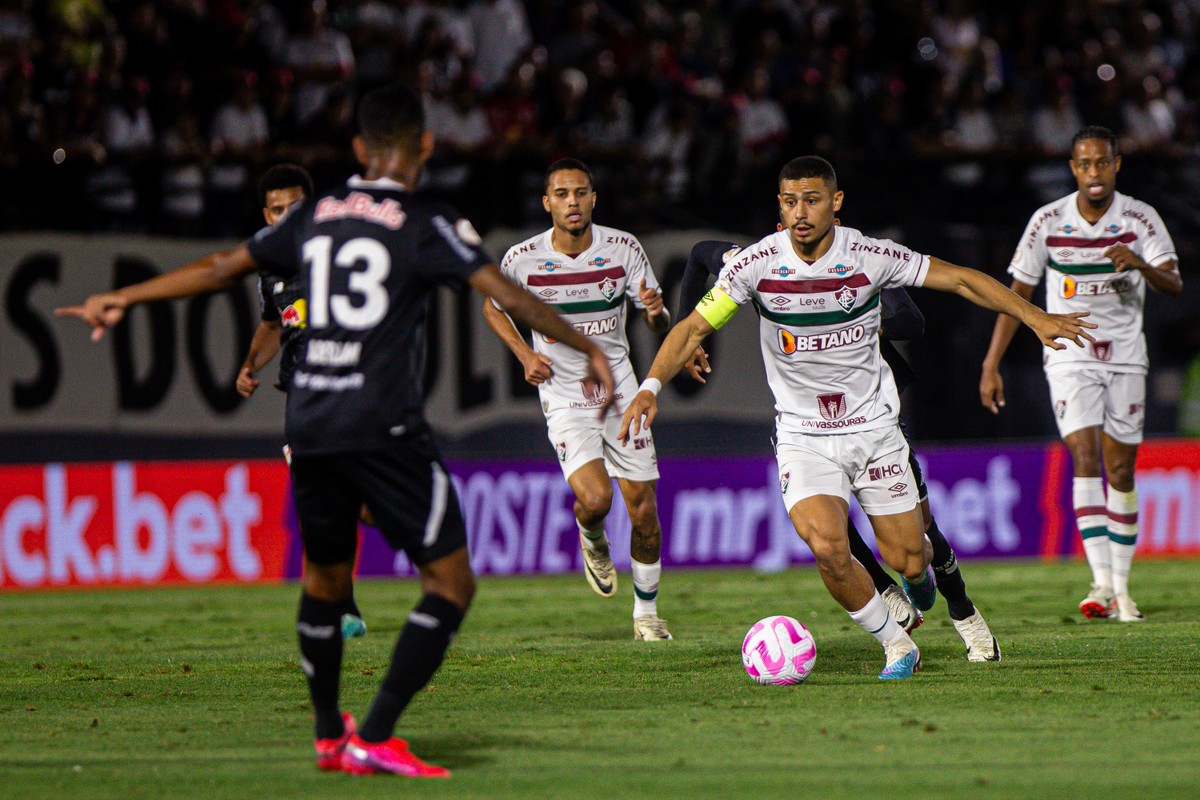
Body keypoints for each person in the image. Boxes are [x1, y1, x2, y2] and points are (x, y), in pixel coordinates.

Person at [58, 85, 616, 777]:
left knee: (323, 579)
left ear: (357, 149)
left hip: (310, 421)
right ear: (426, 147)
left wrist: (125, 296)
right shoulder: (423, 219)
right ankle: (375, 734)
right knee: (450, 583)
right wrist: (586, 347)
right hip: (380, 423)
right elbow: (503, 293)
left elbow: (217, 269)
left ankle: (329, 732)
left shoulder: (314, 214)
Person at [620, 156, 1095, 680]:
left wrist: (1034, 318)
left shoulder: (869, 255)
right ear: (779, 206)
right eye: (789, 201)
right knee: (827, 546)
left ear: (835, 202)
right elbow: (690, 327)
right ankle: (896, 646)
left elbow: (960, 280)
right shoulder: (754, 265)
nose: (800, 212)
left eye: (812, 199)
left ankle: (935, 589)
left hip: (872, 429)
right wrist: (650, 386)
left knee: (910, 559)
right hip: (803, 434)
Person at [679, 238, 1000, 661]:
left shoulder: (861, 262)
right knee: (829, 520)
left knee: (920, 532)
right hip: (806, 423)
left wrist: (857, 320)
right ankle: (885, 591)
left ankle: (962, 609)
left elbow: (912, 319)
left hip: (872, 414)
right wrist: (686, 331)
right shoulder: (762, 265)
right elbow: (703, 252)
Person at [980, 125, 1182, 622]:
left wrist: (1139, 264)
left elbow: (1173, 282)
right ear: (1073, 169)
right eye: (1085, 164)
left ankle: (1121, 584)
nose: (1094, 173)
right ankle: (1102, 585)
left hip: (1126, 356)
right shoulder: (1048, 220)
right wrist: (991, 362)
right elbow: (1016, 295)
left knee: (1121, 470)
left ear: (1117, 165)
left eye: (1103, 163)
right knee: (1085, 455)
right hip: (1070, 353)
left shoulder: (1139, 218)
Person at [482, 158, 673, 641]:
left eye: (581, 193)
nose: (572, 202)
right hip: (565, 395)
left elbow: (656, 321)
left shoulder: (623, 248)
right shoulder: (522, 258)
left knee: (644, 511)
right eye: (562, 194)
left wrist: (655, 313)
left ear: (594, 198)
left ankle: (646, 616)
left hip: (621, 391)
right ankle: (591, 535)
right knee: (595, 498)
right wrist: (524, 353)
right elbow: (492, 306)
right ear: (547, 202)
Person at [234, 163, 368, 641]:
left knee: (364, 508)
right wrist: (251, 365)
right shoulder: (270, 266)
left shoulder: (345, 252)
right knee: (318, 509)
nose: (285, 216)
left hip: (353, 391)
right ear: (266, 215)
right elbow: (274, 324)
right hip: (302, 401)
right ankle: (342, 606)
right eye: (276, 210)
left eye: (295, 207)